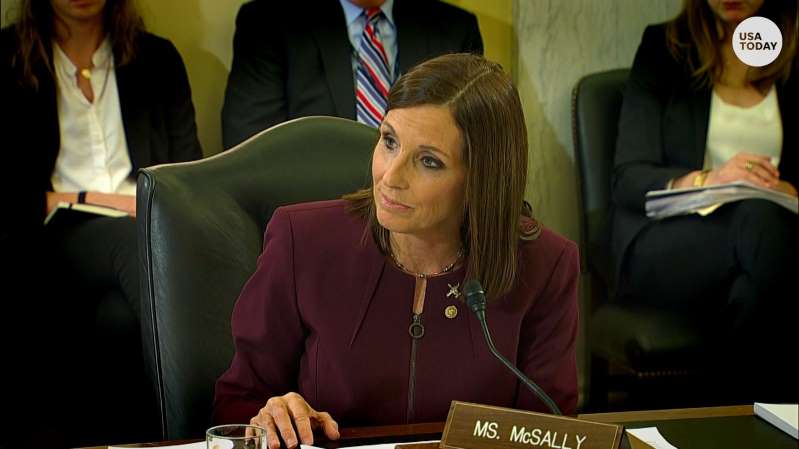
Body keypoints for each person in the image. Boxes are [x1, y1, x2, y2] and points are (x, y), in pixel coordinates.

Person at [214, 53, 579, 449]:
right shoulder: (302, 240)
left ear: (481, 179)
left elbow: (551, 432)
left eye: (428, 161)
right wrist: (269, 414)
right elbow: (235, 404)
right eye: (389, 141)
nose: (390, 176)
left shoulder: (545, 264)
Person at [1, 0, 201, 446]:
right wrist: (96, 200)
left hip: (146, 230)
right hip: (50, 237)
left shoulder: (157, 60)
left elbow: (189, 175)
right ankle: (204, 421)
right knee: (133, 239)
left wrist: (147, 207)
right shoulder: (9, 60)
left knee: (117, 321)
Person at [611, 0, 797, 401]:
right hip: (668, 238)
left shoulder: (792, 57)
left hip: (768, 240)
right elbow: (628, 178)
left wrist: (790, 190)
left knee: (752, 293)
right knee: (759, 222)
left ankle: (739, 421)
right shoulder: (665, 48)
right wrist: (709, 179)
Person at [221, 0, 484, 149]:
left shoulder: (454, 30)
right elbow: (251, 156)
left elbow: (473, 150)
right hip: (314, 214)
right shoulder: (269, 23)